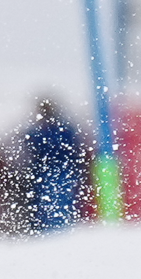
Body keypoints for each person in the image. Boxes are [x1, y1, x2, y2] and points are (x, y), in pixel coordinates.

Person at [19, 98, 88, 231]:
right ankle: (58, 228)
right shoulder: (64, 129)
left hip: (52, 173)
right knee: (59, 203)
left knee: (53, 203)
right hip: (59, 173)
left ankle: (56, 228)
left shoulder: (41, 132)